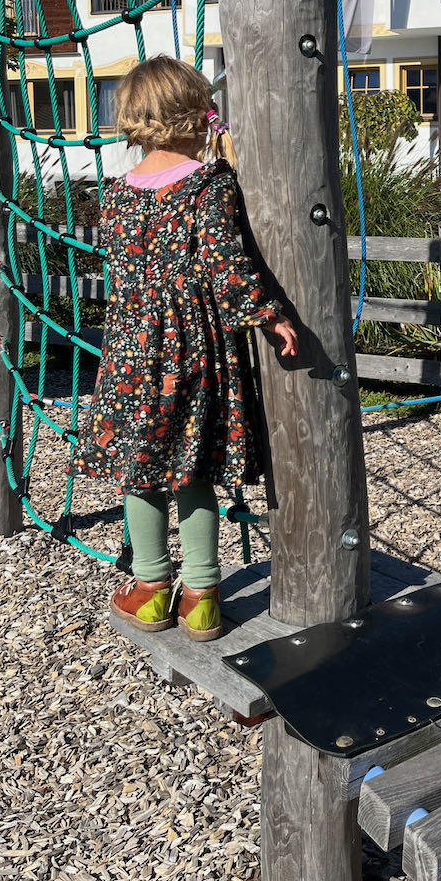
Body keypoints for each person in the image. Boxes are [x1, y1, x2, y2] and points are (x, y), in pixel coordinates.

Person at [70, 56, 298, 641]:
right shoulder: (209, 184)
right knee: (192, 466)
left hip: (130, 349)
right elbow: (227, 264)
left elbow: (123, 270)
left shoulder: (116, 194)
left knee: (140, 466)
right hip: (191, 345)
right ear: (194, 115)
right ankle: (201, 597)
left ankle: (150, 588)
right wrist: (268, 315)